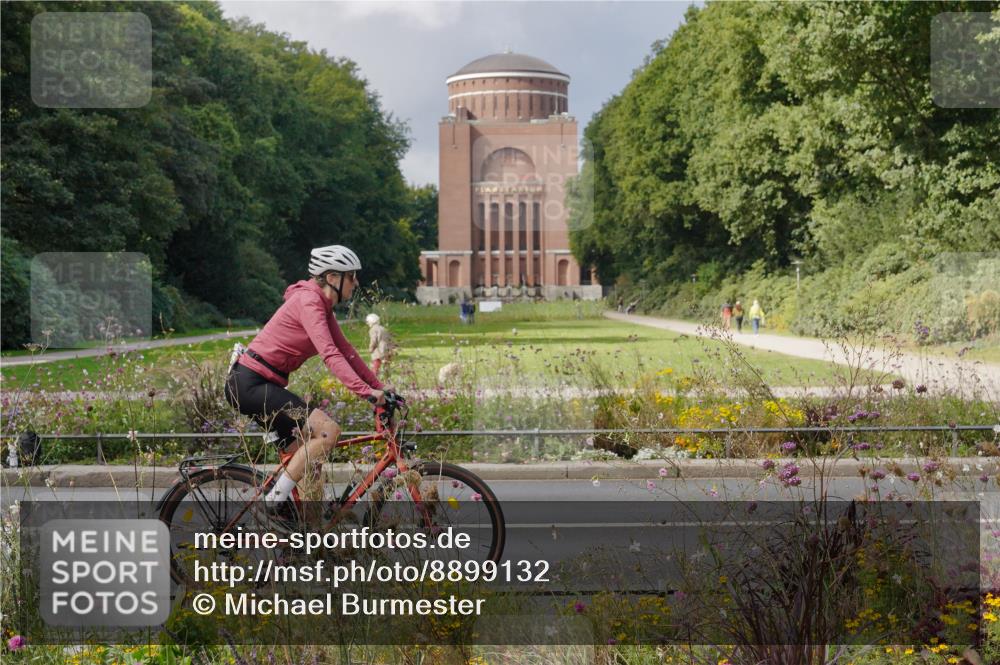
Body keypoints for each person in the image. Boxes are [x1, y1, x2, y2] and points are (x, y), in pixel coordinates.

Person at [224, 245, 393, 512]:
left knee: (312, 468)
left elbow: (346, 351)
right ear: (333, 278)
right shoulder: (309, 302)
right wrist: (365, 392)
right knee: (328, 432)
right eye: (351, 276)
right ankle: (272, 502)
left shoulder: (321, 306)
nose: (356, 282)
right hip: (250, 385)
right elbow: (330, 354)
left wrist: (380, 387)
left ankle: (311, 542)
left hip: (261, 385)